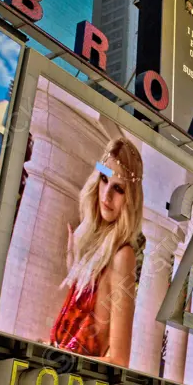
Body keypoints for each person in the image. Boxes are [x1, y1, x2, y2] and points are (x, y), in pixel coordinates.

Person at [50, 138, 143, 366]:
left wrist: (62, 359)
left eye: (118, 188)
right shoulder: (95, 247)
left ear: (130, 198)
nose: (106, 196)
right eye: (103, 179)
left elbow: (119, 360)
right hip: (57, 376)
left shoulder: (123, 257)